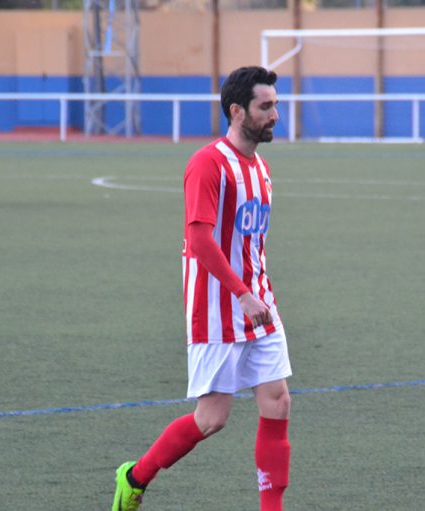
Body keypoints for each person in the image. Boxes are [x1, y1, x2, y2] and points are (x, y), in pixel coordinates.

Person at [112, 66, 292, 511]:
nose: (275, 114)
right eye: (265, 106)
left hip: (259, 306)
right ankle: (135, 477)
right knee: (212, 419)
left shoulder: (262, 168)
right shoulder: (208, 163)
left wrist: (258, 293)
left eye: (275, 104)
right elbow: (199, 241)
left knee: (277, 402)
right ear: (237, 111)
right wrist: (241, 294)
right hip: (217, 310)